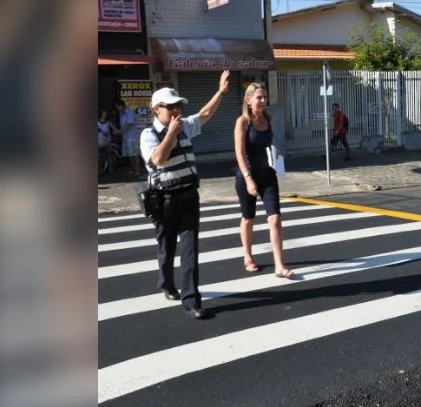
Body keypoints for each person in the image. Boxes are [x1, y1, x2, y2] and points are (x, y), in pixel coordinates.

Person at [140, 70, 231, 319]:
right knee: (166, 246)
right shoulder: (149, 135)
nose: (177, 111)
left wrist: (221, 93)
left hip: (189, 196)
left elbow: (204, 114)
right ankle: (166, 282)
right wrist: (171, 133)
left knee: (190, 250)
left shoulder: (184, 127)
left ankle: (191, 300)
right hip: (164, 200)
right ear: (157, 109)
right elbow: (157, 159)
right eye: (171, 107)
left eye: (178, 106)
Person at [234, 83, 294, 278]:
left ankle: (279, 265)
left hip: (267, 174)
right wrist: (248, 179)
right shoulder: (243, 122)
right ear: (248, 100)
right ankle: (247, 256)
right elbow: (240, 154)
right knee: (248, 218)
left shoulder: (269, 119)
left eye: (264, 97)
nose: (263, 101)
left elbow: (268, 145)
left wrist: (276, 157)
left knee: (275, 219)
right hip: (247, 175)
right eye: (259, 97)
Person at [114, 98, 143, 177]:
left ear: (121, 105)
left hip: (132, 136)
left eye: (117, 107)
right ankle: (134, 169)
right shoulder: (121, 113)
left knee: (135, 154)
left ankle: (138, 170)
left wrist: (119, 131)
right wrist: (121, 132)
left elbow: (129, 123)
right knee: (130, 154)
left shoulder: (129, 111)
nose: (117, 109)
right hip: (126, 136)